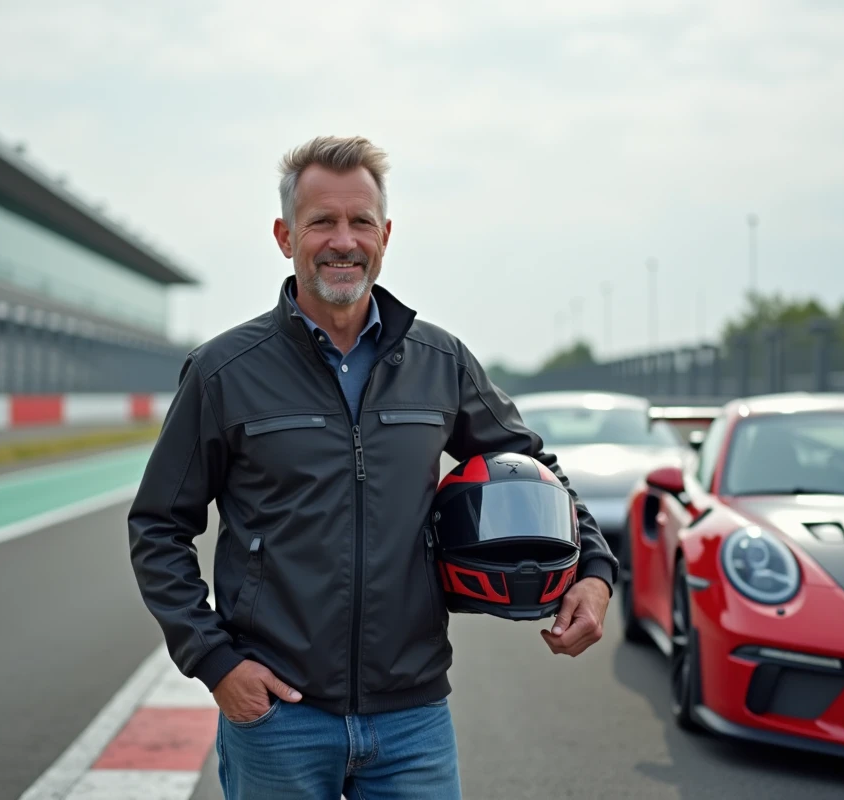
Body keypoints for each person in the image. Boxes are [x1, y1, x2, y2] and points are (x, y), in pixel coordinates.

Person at [127, 135, 619, 800]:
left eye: (360, 221)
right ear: (284, 235)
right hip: (278, 714)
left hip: (412, 719)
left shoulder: (439, 361)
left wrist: (593, 569)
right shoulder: (223, 373)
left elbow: (529, 462)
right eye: (322, 221)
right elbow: (158, 526)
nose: (343, 240)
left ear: (385, 234)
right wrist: (215, 662)